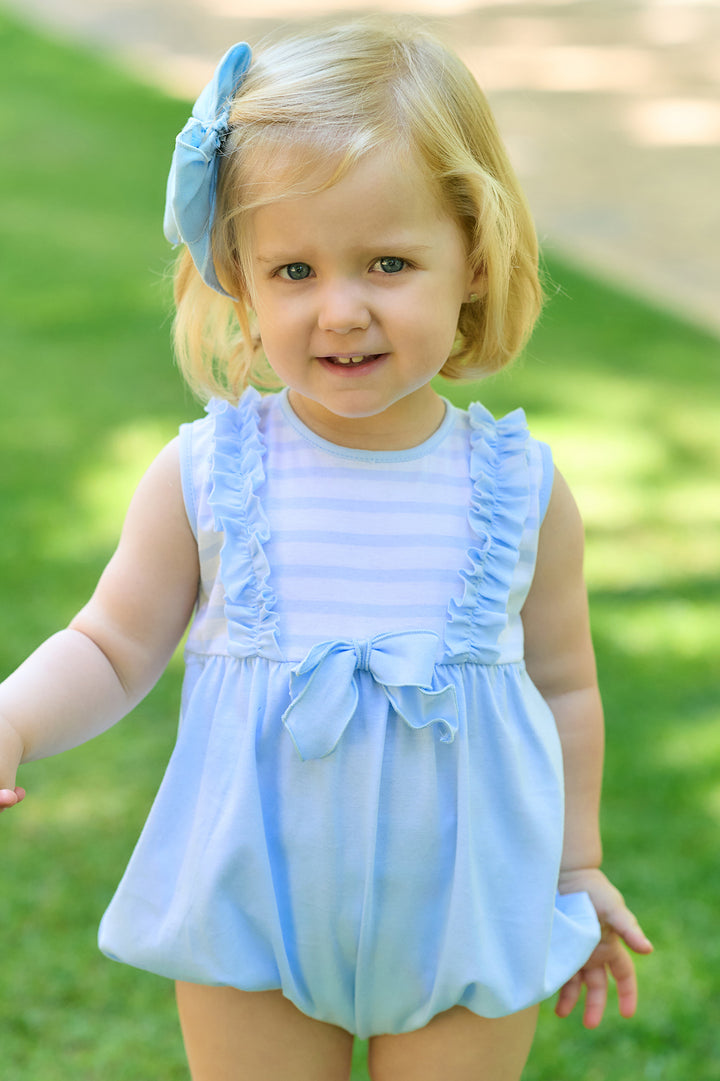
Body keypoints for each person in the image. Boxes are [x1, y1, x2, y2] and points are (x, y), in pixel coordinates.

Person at [0, 19, 652, 1081]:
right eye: (294, 268)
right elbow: (113, 645)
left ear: (474, 261)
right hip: (254, 908)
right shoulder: (209, 475)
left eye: (389, 262)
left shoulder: (518, 491)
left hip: (462, 916)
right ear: (240, 284)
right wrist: (14, 716)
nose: (341, 309)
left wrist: (575, 865)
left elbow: (565, 688)